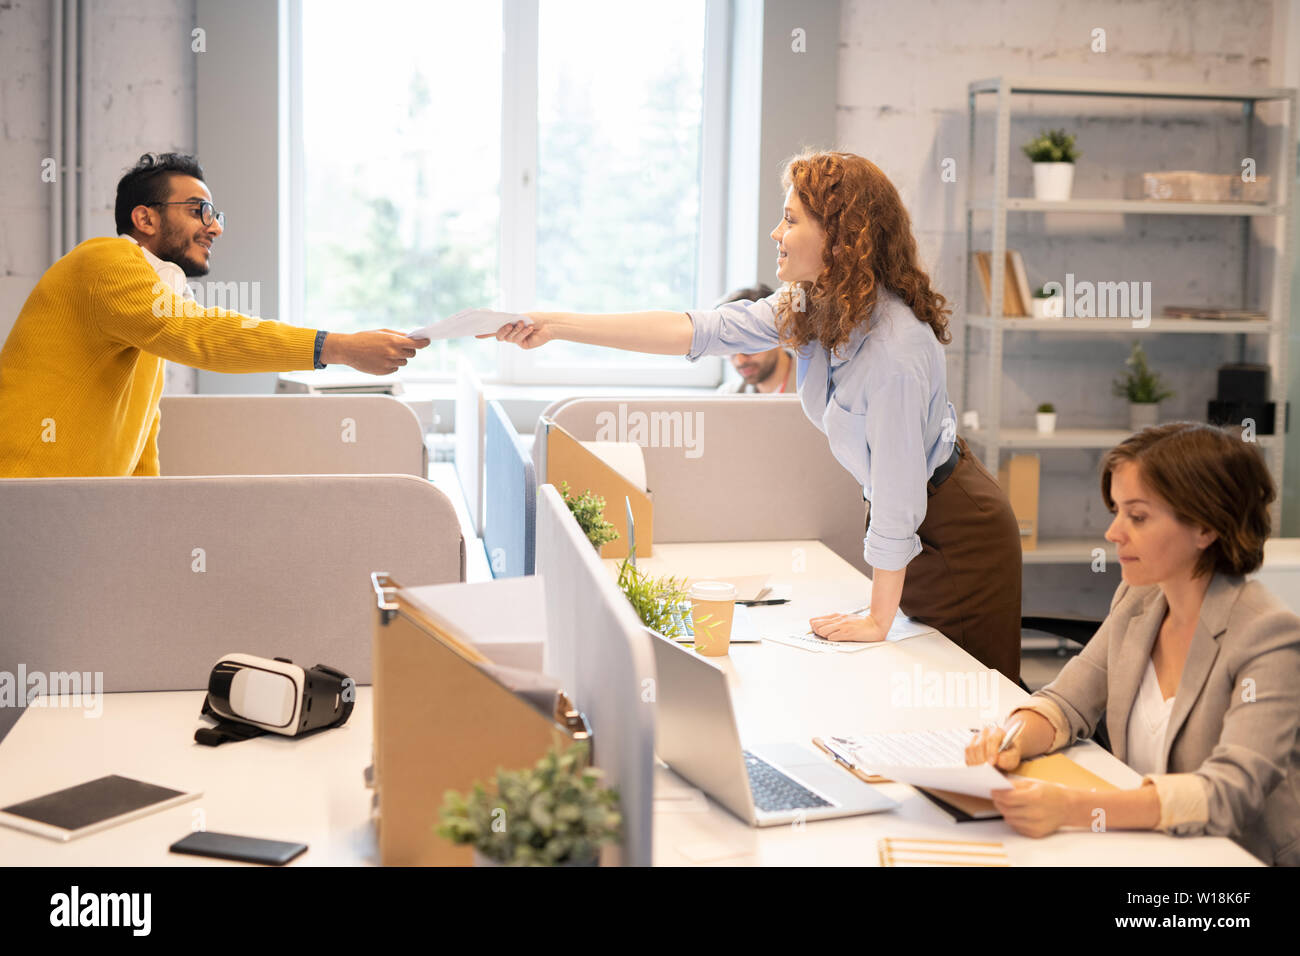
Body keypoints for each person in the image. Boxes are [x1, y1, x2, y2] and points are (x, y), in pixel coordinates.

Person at [486, 150, 1025, 680]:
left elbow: (899, 489)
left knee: (972, 698)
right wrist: (557, 324)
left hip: (958, 529)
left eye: (791, 220)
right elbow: (697, 331)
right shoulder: (814, 306)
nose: (776, 233)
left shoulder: (895, 351)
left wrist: (878, 615)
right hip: (916, 525)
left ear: (839, 238)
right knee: (918, 684)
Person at [966, 423, 1300, 865]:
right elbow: (1067, 702)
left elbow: (1227, 793)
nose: (1113, 533)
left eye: (1137, 517)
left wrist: (1071, 808)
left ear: (1205, 527)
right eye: (1116, 512)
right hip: (1142, 847)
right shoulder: (1140, 598)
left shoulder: (1269, 636)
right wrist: (1012, 739)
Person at [0, 152, 426, 477]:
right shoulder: (106, 261)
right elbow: (206, 336)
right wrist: (340, 348)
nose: (215, 227)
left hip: (57, 509)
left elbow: (143, 432)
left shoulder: (148, 299)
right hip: (23, 497)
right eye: (198, 211)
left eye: (215, 215)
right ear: (145, 217)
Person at [713, 284, 796, 394]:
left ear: (778, 332)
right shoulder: (727, 395)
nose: (740, 360)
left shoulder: (818, 388)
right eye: (730, 351)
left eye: (748, 348)